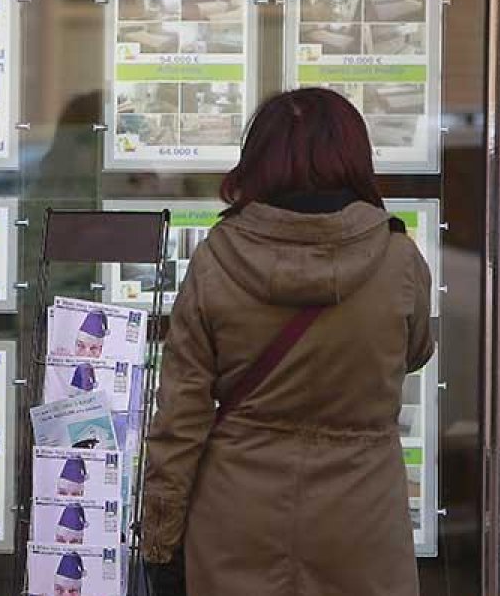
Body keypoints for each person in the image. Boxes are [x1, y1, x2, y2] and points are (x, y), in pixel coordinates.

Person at [140, 88, 434, 596]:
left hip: (237, 514)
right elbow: (415, 353)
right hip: (361, 515)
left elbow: (180, 416)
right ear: (353, 156)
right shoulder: (398, 259)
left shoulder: (215, 259)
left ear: (259, 159)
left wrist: (161, 539)